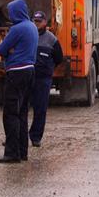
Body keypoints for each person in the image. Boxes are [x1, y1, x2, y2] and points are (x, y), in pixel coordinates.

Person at [0, 0, 38, 163]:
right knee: (22, 113)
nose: (10, 15)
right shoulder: (32, 27)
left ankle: (12, 153)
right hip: (30, 71)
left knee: (10, 113)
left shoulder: (17, 29)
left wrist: (10, 50)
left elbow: (1, 49)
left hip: (16, 72)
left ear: (16, 12)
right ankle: (23, 151)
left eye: (11, 12)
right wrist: (12, 49)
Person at [29, 11, 63, 147]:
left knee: (40, 109)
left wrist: (48, 68)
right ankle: (16, 136)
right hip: (28, 76)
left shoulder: (52, 39)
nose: (36, 24)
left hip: (43, 79)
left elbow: (59, 58)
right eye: (34, 21)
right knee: (21, 107)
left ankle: (35, 137)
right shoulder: (28, 35)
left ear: (45, 22)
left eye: (39, 21)